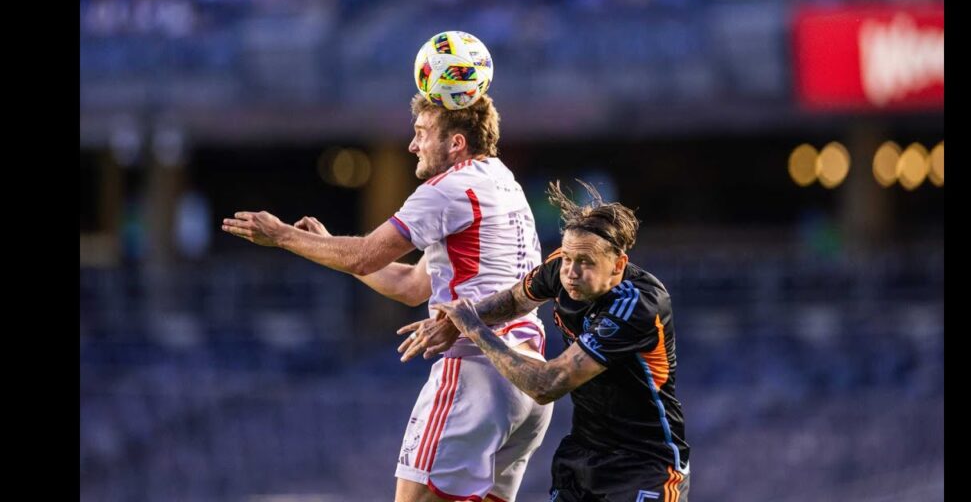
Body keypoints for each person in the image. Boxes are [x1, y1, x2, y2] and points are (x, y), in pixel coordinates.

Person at [222, 93, 553, 502]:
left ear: (456, 143)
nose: (413, 145)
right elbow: (412, 285)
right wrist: (324, 246)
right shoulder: (503, 182)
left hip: (476, 372)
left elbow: (363, 257)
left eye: (421, 133)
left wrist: (282, 236)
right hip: (526, 380)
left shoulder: (447, 189)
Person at [399, 181, 690, 502]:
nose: (571, 272)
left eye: (586, 263)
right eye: (567, 259)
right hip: (581, 456)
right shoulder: (562, 267)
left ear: (618, 265)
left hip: (643, 463)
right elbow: (513, 301)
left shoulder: (636, 306)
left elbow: (546, 384)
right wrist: (460, 320)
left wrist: (475, 329)